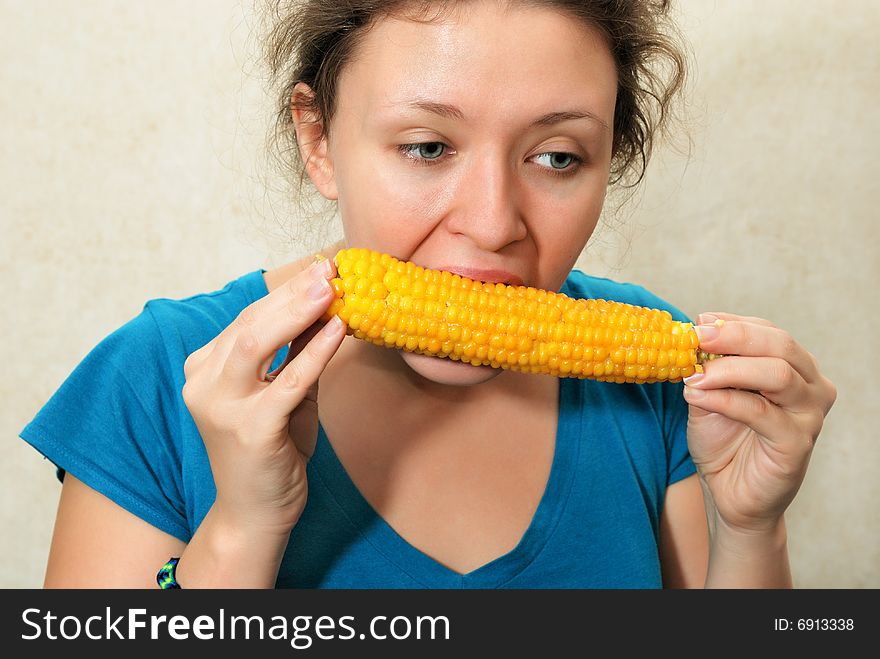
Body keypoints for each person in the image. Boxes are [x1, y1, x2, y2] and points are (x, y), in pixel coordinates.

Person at [21, 0, 837, 589]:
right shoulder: (157, 376)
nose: (492, 225)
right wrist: (242, 527)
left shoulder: (657, 387)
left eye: (557, 157)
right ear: (320, 142)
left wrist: (749, 530)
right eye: (427, 146)